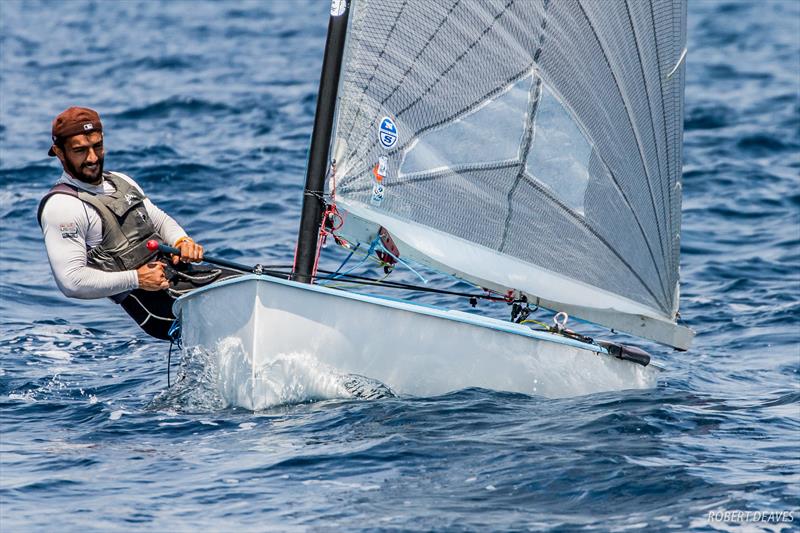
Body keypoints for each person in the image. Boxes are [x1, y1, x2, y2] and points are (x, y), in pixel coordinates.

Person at [38, 106, 236, 340]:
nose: (92, 158)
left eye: (97, 146)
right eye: (80, 150)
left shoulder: (120, 181)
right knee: (245, 293)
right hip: (156, 307)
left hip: (181, 277)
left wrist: (181, 240)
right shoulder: (62, 206)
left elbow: (158, 218)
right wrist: (137, 279)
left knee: (258, 281)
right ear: (59, 152)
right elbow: (71, 281)